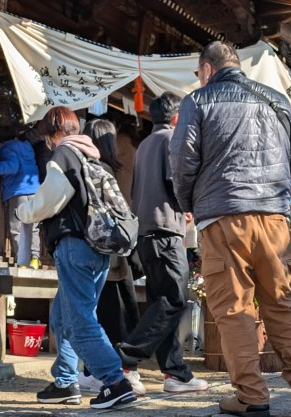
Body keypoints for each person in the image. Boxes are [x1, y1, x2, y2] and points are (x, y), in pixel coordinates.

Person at [171, 41, 291, 416]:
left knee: (234, 307)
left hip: (222, 214)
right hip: (274, 218)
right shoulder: (278, 100)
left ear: (207, 69)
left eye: (198, 72)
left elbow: (183, 160)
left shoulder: (198, 101)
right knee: (281, 300)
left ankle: (252, 396)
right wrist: (278, 197)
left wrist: (189, 203)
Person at [16, 106, 138, 409]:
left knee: (79, 322)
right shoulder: (93, 157)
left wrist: (23, 211)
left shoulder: (64, 154)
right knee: (63, 316)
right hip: (98, 249)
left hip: (75, 246)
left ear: (53, 133)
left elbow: (49, 201)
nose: (45, 142)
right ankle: (65, 382)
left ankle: (115, 382)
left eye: (46, 135)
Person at [117, 93, 210, 394]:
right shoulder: (171, 139)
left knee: (162, 303)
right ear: (176, 117)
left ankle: (175, 372)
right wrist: (189, 206)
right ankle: (126, 360)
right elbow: (177, 181)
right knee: (174, 300)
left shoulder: (145, 144)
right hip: (165, 231)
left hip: (146, 231)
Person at [77, 117, 143, 396]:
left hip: (101, 250)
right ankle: (126, 371)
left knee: (104, 314)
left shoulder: (93, 170)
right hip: (121, 249)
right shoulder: (119, 167)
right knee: (122, 311)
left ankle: (112, 373)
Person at [0, 124, 41, 268]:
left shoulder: (7, 149)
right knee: (33, 227)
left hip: (18, 191)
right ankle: (35, 259)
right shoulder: (26, 147)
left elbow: (12, 167)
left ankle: (22, 262)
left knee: (17, 228)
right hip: (34, 191)